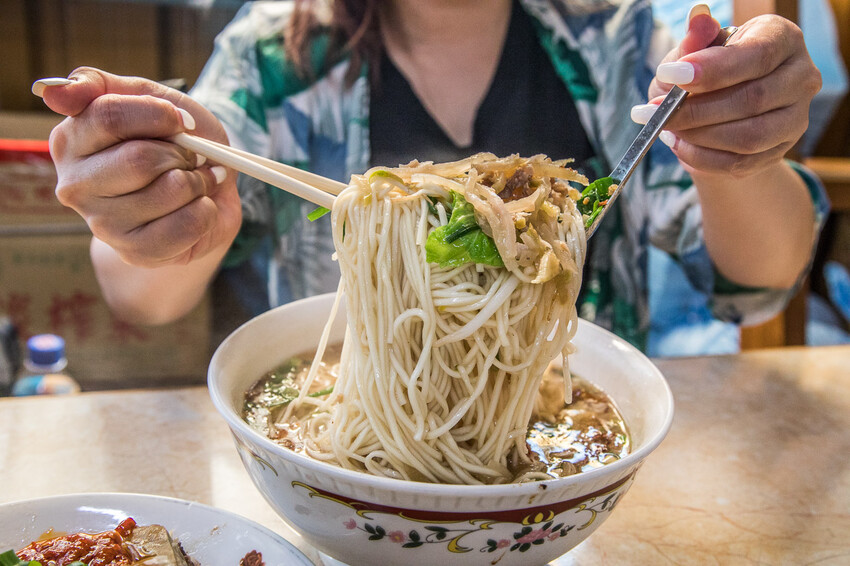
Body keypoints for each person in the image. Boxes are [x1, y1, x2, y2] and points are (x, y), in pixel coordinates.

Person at [34, 0, 828, 352]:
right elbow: (141, 294)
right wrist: (163, 211)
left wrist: (734, 148)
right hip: (350, 458)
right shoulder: (277, 53)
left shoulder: (614, 34)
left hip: (572, 465)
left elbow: (763, 276)